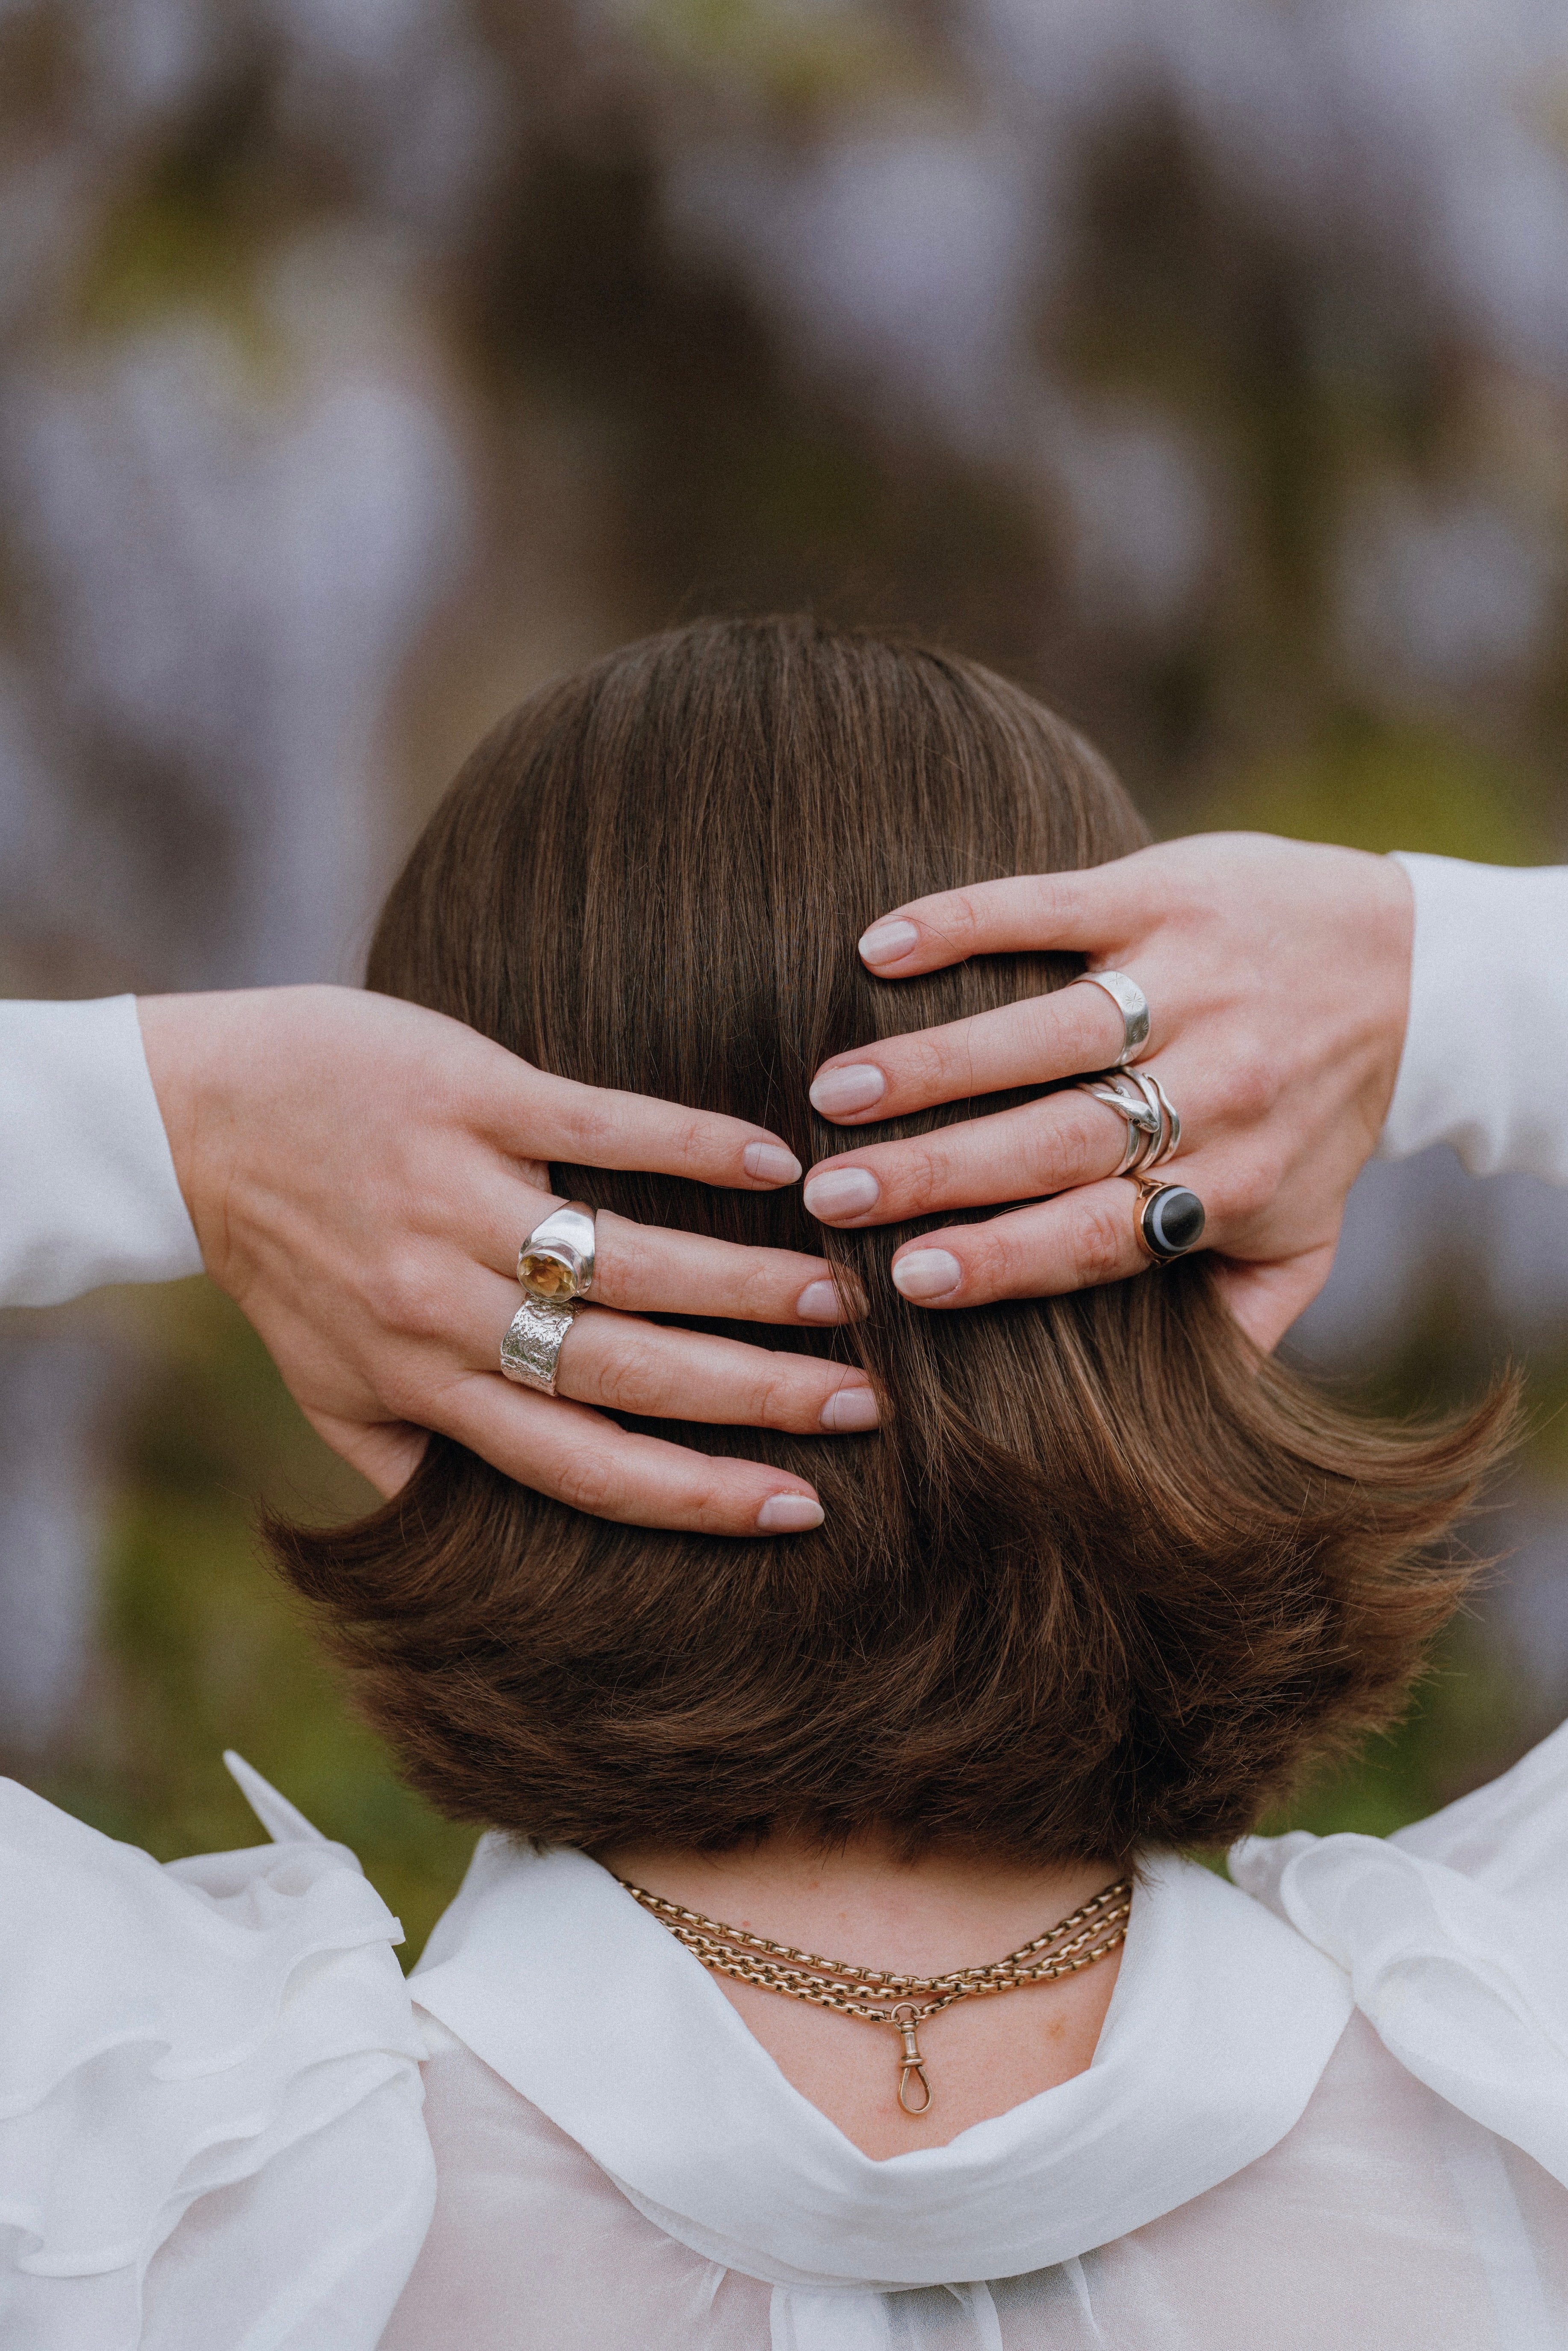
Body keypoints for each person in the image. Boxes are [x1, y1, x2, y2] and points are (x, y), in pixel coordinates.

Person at [1, 616, 1566, 2350]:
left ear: (429, 1314)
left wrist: (180, 1126)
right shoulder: (1515, 2093)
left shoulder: (149, 2186)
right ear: (1177, 1272)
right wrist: (1419, 980)